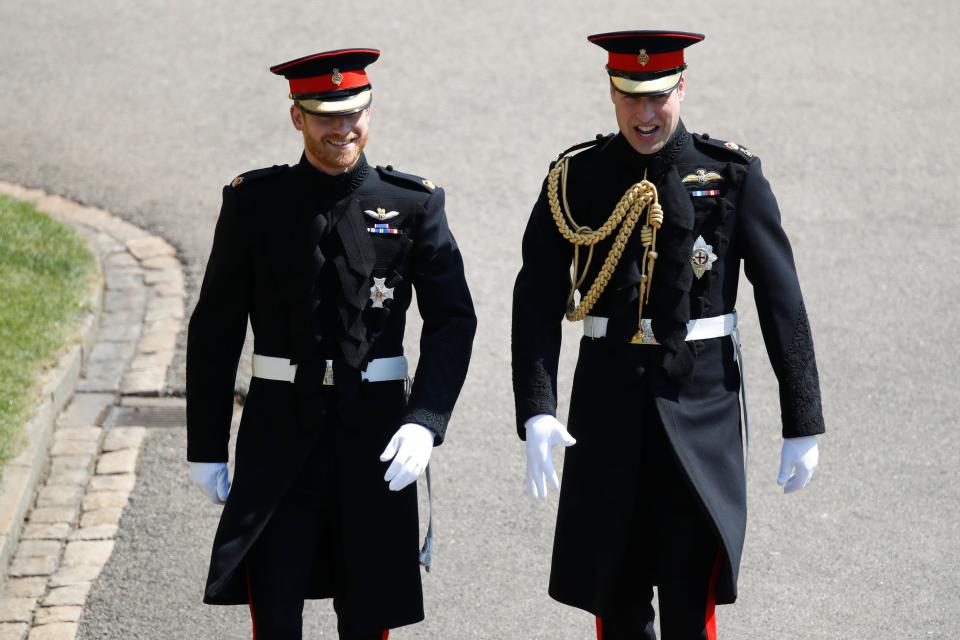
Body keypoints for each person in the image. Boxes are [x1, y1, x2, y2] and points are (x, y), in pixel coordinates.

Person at [512, 30, 824, 639]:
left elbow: (783, 298)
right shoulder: (576, 178)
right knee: (616, 600)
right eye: (631, 97)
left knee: (690, 605)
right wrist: (537, 409)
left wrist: (803, 418)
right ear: (611, 92)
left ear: (681, 87)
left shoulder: (730, 175)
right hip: (606, 416)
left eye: (658, 96)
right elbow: (535, 302)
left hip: (700, 409)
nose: (645, 114)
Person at [185, 48, 476, 640]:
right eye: (324, 115)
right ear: (297, 117)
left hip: (376, 435)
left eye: (353, 113)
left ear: (370, 110)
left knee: (369, 618)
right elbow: (216, 326)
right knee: (275, 612)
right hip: (279, 433)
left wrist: (425, 419)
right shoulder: (255, 203)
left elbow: (453, 319)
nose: (342, 129)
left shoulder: (415, 203)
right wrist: (207, 444)